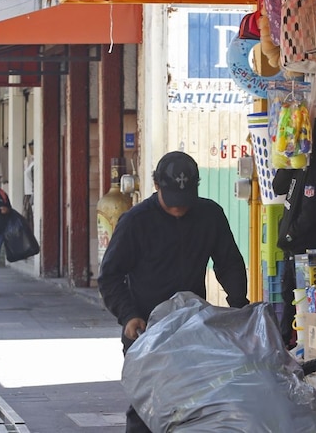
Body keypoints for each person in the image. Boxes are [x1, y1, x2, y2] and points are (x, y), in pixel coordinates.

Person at [98, 151, 249, 433]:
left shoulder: (210, 214)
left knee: (194, 406)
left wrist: (239, 305)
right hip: (145, 330)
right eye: (172, 200)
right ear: (157, 186)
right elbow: (110, 276)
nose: (179, 208)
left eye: (186, 199)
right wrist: (128, 315)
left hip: (192, 329)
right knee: (148, 410)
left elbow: (229, 262)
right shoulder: (135, 221)